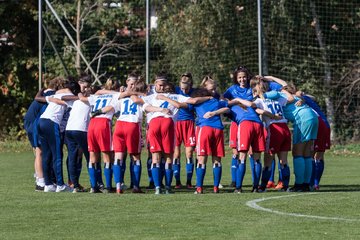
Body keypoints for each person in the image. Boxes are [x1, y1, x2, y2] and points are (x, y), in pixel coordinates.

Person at [264, 76, 319, 192]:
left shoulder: (278, 94)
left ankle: (299, 185)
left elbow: (262, 96)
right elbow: (285, 84)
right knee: (306, 153)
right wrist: (271, 78)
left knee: (298, 153)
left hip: (302, 119)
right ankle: (306, 184)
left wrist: (257, 95)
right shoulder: (293, 95)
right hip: (313, 117)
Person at [224, 66, 262, 192]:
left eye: (244, 77)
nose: (242, 79)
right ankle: (255, 187)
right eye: (239, 77)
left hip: (246, 124)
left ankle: (238, 188)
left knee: (242, 156)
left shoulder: (252, 89)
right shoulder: (232, 90)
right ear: (236, 78)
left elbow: (223, 103)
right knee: (256, 158)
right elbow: (223, 99)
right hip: (257, 123)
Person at [78, 78, 120, 193]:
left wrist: (79, 92)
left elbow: (82, 98)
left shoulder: (97, 95)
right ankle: (108, 186)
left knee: (93, 157)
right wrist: (118, 93)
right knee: (106, 156)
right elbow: (111, 107)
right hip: (103, 123)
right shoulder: (116, 96)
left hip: (92, 124)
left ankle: (93, 187)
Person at [38, 79, 80, 192]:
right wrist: (82, 96)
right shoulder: (69, 95)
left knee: (46, 155)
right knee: (57, 155)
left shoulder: (58, 92)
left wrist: (44, 91)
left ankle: (48, 185)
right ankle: (60, 185)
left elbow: (38, 98)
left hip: (41, 122)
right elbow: (71, 99)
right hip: (51, 123)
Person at [250, 76, 291, 191]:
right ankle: (285, 186)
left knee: (268, 161)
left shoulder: (259, 101)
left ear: (255, 89)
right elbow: (288, 94)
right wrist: (277, 85)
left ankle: (262, 187)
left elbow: (252, 107)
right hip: (285, 128)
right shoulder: (277, 98)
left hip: (274, 129)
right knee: (283, 161)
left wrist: (254, 99)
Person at [23, 77, 59, 191]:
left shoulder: (45, 93)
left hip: (32, 123)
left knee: (41, 152)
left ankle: (43, 178)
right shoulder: (50, 95)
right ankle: (41, 181)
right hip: (35, 125)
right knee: (40, 152)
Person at [173, 72, 196, 189]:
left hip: (190, 124)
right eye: (182, 88)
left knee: (189, 153)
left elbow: (209, 91)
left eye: (186, 89)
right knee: (176, 154)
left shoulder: (195, 92)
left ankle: (188, 182)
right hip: (177, 123)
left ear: (190, 85)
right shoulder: (175, 90)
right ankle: (177, 182)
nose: (184, 91)